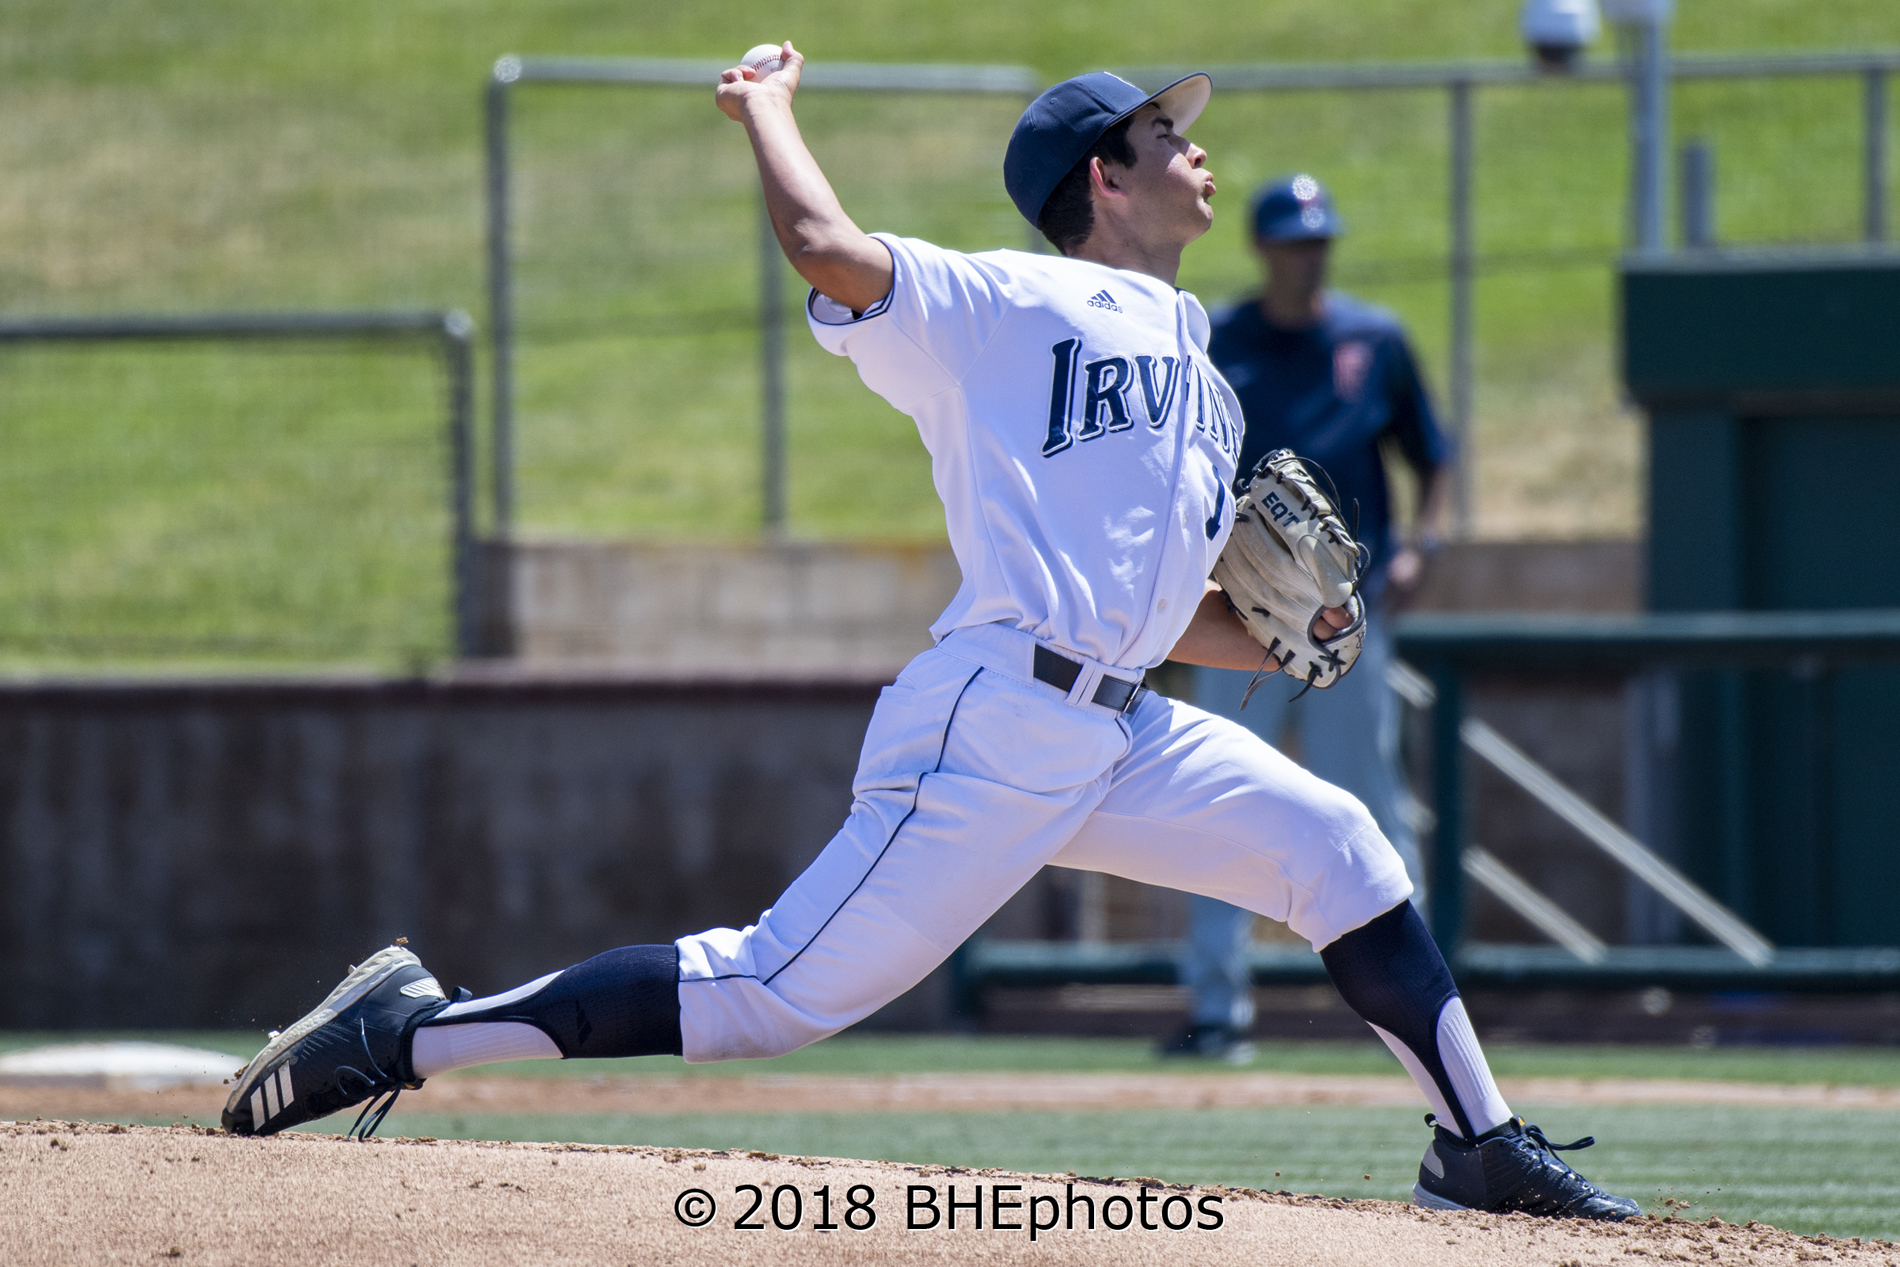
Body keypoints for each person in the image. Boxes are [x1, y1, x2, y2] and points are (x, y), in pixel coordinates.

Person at [221, 46, 1637, 1220]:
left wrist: (1284, 636)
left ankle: (1478, 1147)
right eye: (1166, 134)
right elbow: (826, 250)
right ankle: (409, 1029)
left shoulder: (1204, 370)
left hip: (1120, 724)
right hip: (997, 717)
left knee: (1338, 847)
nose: (1197, 148)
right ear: (1104, 176)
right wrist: (766, 107)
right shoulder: (1006, 301)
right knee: (767, 994)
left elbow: (1169, 612)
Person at [1159, 174, 1450, 1063]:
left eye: (1318, 240)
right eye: (1292, 241)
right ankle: (1217, 1007)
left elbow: (1430, 454)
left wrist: (1422, 545)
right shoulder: (1219, 342)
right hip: (1233, 617)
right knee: (1217, 804)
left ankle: (1420, 1009)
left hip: (1342, 621)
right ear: (1262, 247)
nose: (1307, 256)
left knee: (1373, 804)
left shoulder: (1374, 338)